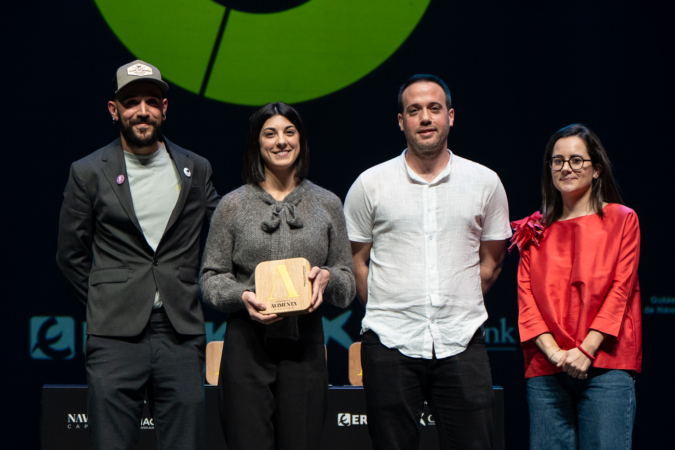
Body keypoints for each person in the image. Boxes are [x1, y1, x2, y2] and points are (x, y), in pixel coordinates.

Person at [56, 60, 220, 450]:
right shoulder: (88, 171)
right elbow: (70, 255)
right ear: (114, 110)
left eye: (151, 100)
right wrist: (109, 297)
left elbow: (224, 232)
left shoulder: (196, 169)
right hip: (113, 336)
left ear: (165, 108)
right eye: (131, 102)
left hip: (179, 332)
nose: (142, 110)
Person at [344, 74, 511, 450]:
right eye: (414, 110)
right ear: (401, 121)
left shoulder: (485, 182)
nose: (425, 118)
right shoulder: (370, 184)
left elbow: (492, 262)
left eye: (434, 109)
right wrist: (390, 307)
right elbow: (356, 262)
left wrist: (457, 300)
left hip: (461, 339)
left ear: (450, 116)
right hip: (389, 342)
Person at [200, 102, 355, 449]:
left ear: (300, 140)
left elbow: (346, 284)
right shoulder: (233, 205)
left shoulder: (327, 203)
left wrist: (328, 278)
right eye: (270, 134)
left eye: (289, 132)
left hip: (306, 347)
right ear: (258, 143)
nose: (280, 141)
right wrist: (242, 296)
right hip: (246, 347)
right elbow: (210, 279)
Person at [511, 124, 641, 449]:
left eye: (576, 160)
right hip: (546, 367)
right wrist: (555, 354)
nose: (565, 167)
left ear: (596, 169)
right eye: (557, 161)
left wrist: (586, 350)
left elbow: (620, 292)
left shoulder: (622, 219)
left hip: (605, 364)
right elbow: (527, 303)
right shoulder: (534, 230)